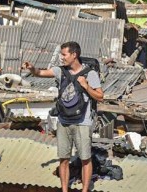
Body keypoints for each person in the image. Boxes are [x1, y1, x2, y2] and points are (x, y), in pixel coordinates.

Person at [22, 41, 103, 192]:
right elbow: (40, 73)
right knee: (63, 158)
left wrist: (86, 86)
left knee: (85, 158)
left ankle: (85, 190)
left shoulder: (89, 74)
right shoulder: (60, 71)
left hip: (82, 122)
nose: (62, 57)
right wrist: (32, 68)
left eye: (64, 54)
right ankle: (64, 189)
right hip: (64, 121)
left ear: (74, 55)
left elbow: (100, 96)